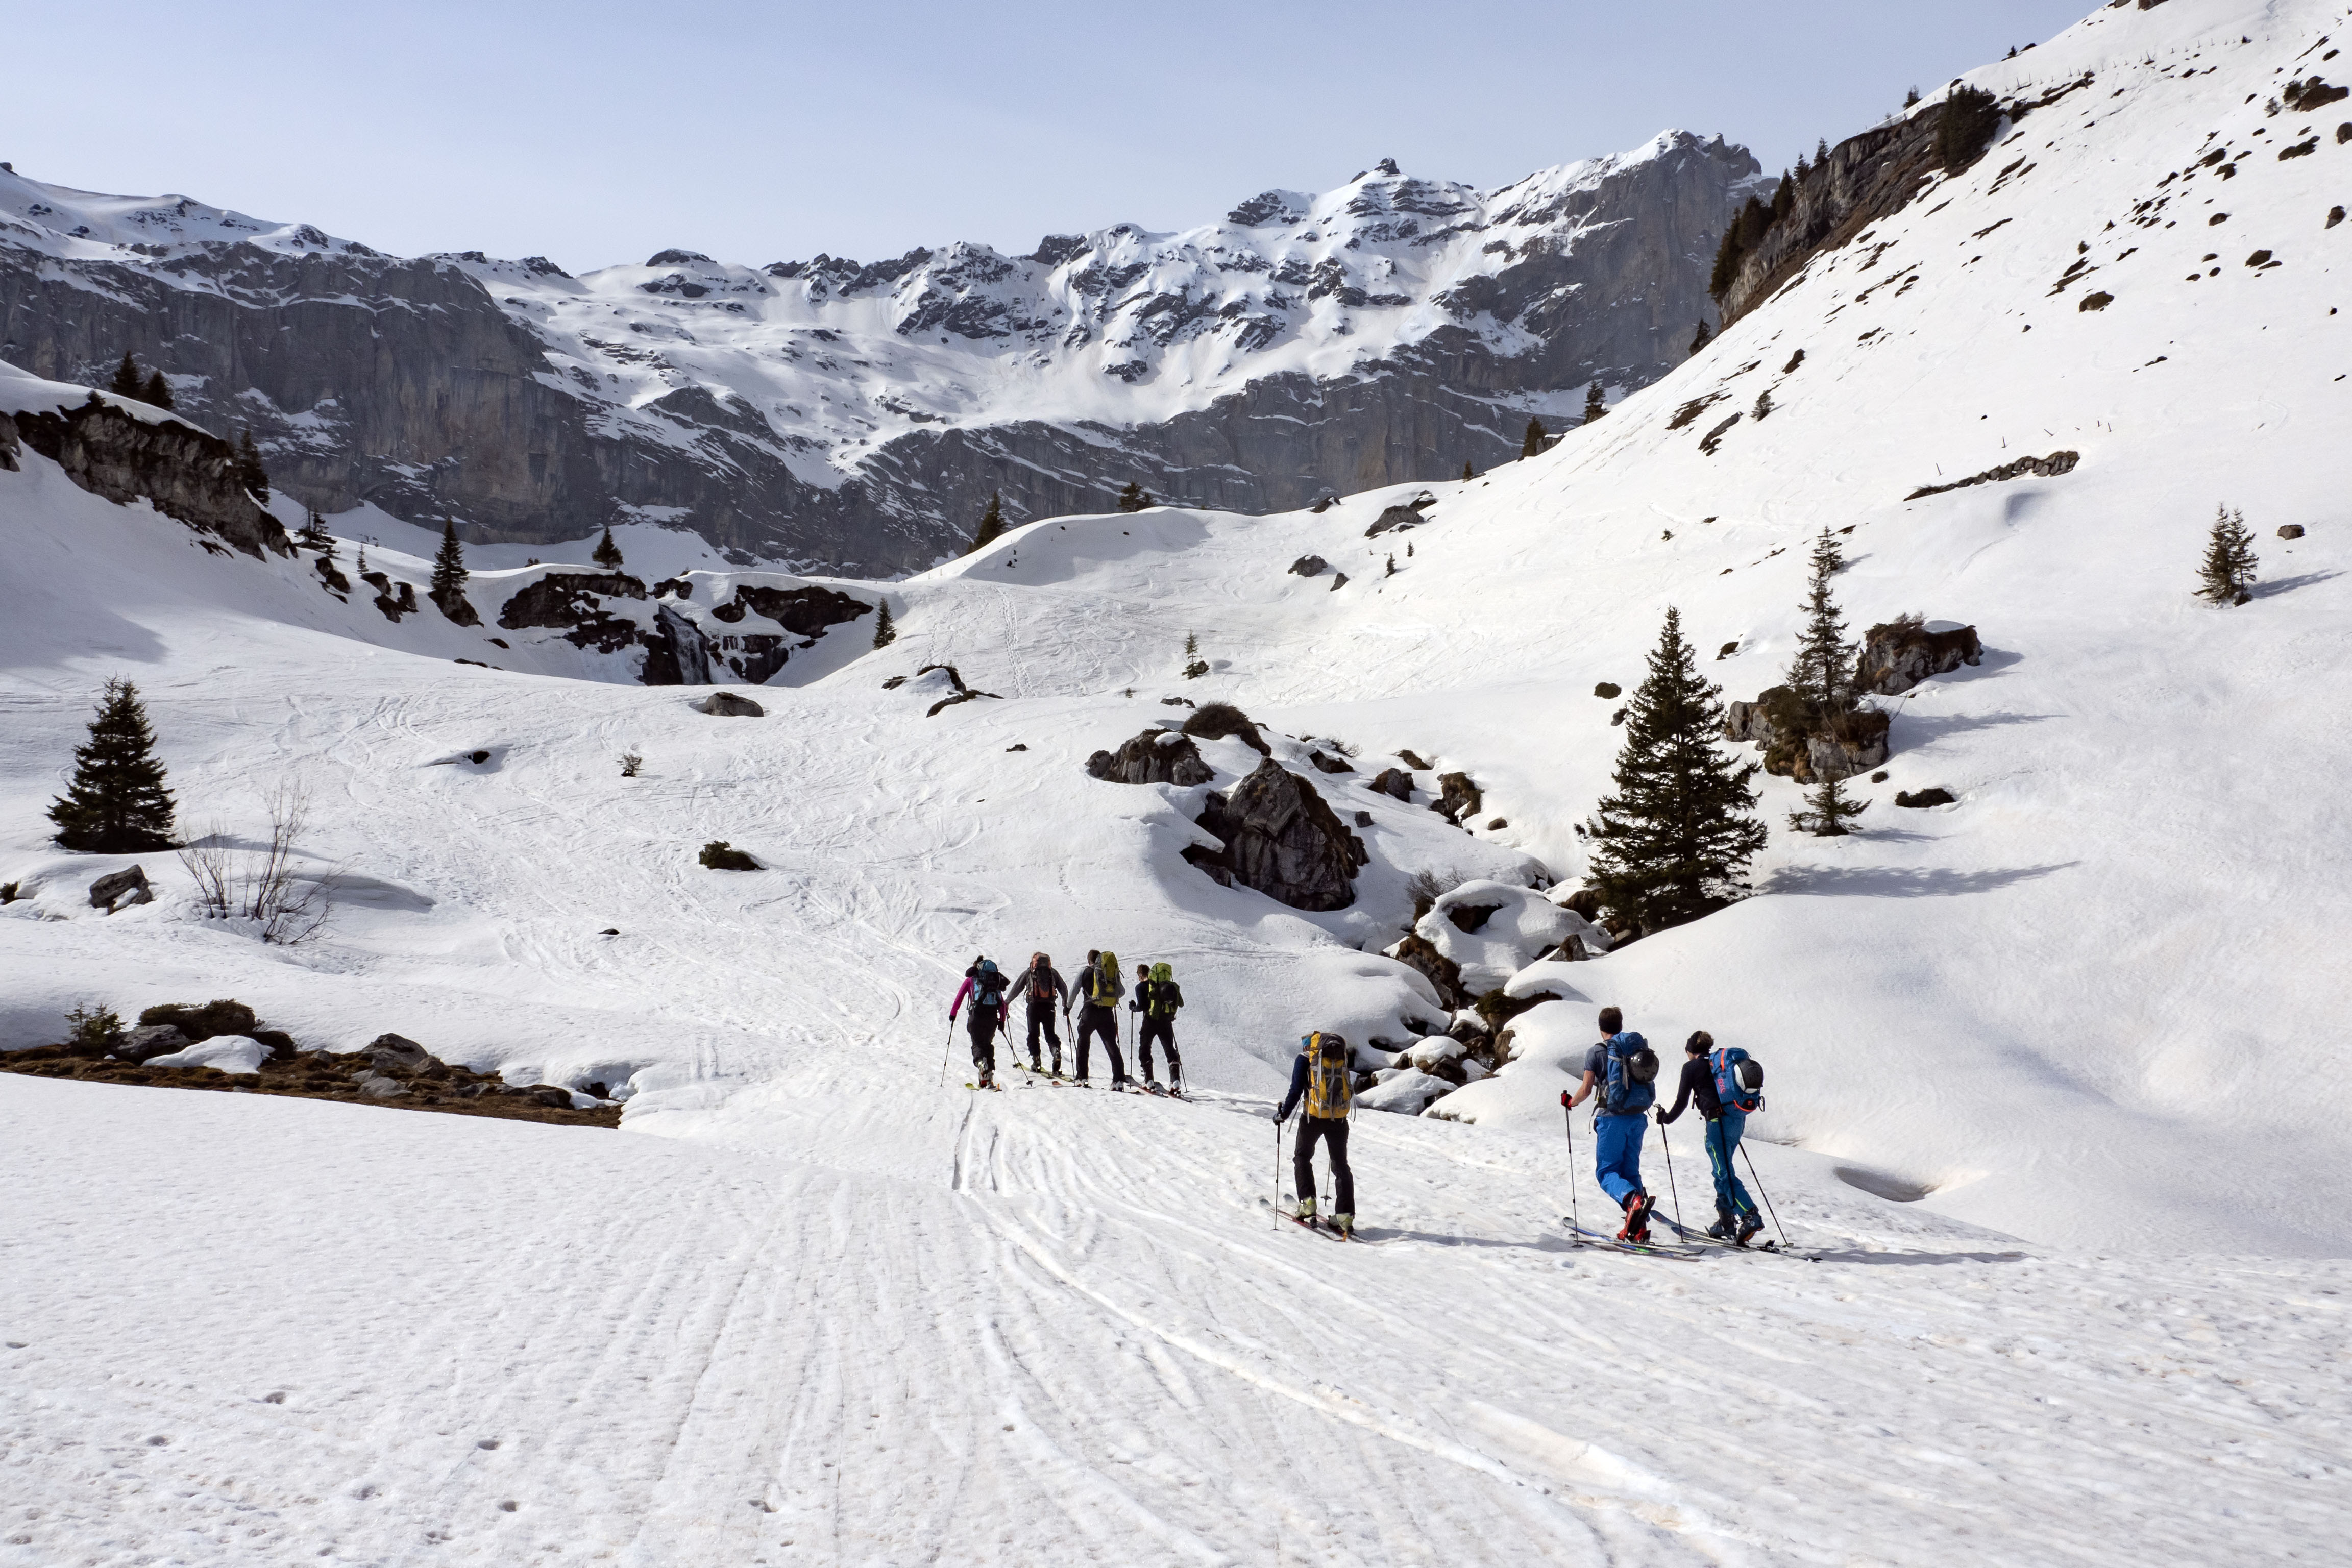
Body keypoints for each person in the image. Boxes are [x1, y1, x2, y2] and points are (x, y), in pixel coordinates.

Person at [1562, 1006, 1658, 1241]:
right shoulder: (1634, 1049)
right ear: (1620, 1025)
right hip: (1638, 1117)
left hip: (1612, 1119)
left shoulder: (1596, 1052)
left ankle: (1633, 1201)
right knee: (1630, 1172)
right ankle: (1638, 1228)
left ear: (1600, 1027)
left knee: (1607, 1173)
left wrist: (1570, 1102)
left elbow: (1586, 1089)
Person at [1657, 1030, 1763, 1244]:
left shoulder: (1691, 1067)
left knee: (1723, 1173)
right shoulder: (1718, 1065)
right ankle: (1726, 1222)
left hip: (1717, 1123)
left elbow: (1682, 1101)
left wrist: (1666, 1119)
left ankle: (1749, 1214)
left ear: (1690, 1050)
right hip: (1736, 1120)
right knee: (1722, 1170)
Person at [1276, 1031, 1356, 1236]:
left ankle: (1308, 1203)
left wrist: (1283, 1115)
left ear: (1308, 1047)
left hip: (1312, 1118)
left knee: (1302, 1157)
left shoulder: (1304, 1059)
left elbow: (1295, 1090)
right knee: (1341, 1166)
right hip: (1339, 1118)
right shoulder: (1338, 1057)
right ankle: (1345, 1216)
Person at [948, 956, 1011, 1089]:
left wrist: (953, 1014)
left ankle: (982, 1065)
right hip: (992, 1018)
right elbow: (1002, 1003)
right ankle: (989, 1078)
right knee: (987, 1045)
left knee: (977, 1044)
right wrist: (1002, 1021)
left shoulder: (970, 981)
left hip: (976, 1017)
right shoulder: (995, 981)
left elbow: (959, 998)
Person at [1073, 950, 1130, 1087]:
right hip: (1107, 1013)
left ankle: (1082, 1078)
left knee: (1083, 1043)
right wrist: (1109, 997)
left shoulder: (1084, 971)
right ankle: (1118, 1080)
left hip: (1089, 1012)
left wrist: (1068, 1007)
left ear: (1089, 961)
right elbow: (1122, 992)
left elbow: (1074, 991)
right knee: (1111, 1044)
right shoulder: (1107, 972)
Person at [1130, 961, 1185, 1093]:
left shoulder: (1140, 987)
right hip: (1166, 1021)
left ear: (1140, 976)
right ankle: (1175, 1081)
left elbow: (1142, 1006)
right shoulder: (1164, 985)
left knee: (1145, 1049)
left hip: (1150, 1021)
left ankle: (1148, 1080)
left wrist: (1133, 1008)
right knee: (1170, 1050)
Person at [1018, 951, 1070, 1075]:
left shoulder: (1029, 972)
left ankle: (1036, 1061)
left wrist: (1007, 1002)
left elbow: (1017, 987)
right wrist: (1066, 1004)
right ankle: (1056, 1052)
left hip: (1034, 1006)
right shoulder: (1052, 972)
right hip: (1049, 1007)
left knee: (1033, 1034)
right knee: (1050, 1034)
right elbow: (1064, 988)